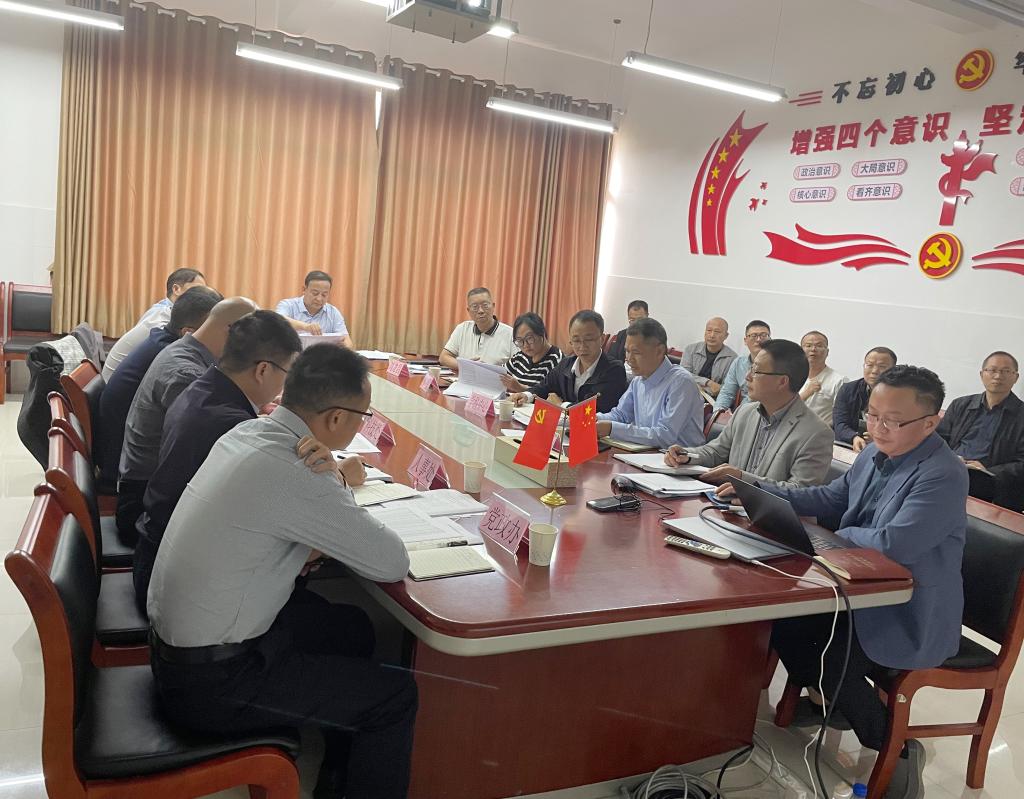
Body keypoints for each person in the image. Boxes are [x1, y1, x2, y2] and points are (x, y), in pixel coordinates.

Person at [148, 345, 416, 799]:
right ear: (336, 418)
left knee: (351, 628)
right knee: (395, 696)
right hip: (211, 685)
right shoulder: (297, 469)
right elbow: (391, 561)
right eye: (362, 416)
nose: (360, 425)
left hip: (175, 652)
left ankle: (339, 777)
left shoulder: (249, 431)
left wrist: (330, 479)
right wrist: (332, 480)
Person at [762, 366, 967, 799]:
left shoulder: (943, 473)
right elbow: (830, 499)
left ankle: (895, 746)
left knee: (829, 656)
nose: (877, 427)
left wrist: (834, 537)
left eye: (892, 420)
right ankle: (835, 705)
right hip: (859, 588)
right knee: (782, 624)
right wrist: (761, 491)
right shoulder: (875, 453)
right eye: (872, 415)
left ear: (930, 423)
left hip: (909, 608)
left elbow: (897, 543)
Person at [133, 311, 310, 610]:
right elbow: (277, 511)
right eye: (288, 373)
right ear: (263, 370)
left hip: (156, 553)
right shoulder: (232, 427)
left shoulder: (202, 389)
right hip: (178, 586)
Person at [116, 297, 258, 542]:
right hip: (143, 507)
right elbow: (217, 444)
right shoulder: (185, 372)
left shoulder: (186, 351)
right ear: (233, 332)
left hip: (149, 489)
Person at [96, 286, 222, 486]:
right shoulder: (178, 364)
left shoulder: (163, 342)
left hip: (122, 455)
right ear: (188, 332)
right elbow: (197, 428)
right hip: (126, 472)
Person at [664, 340, 832, 488]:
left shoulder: (816, 433)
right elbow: (716, 452)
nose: (747, 376)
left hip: (768, 514)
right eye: (751, 368)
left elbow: (800, 491)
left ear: (782, 381)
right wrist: (687, 456)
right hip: (724, 505)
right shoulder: (745, 412)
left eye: (756, 371)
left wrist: (742, 480)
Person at [595, 318, 704, 448]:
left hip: (679, 458)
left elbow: (665, 436)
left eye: (636, 352)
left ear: (659, 351)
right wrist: (593, 420)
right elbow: (620, 415)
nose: (629, 359)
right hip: (645, 454)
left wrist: (612, 429)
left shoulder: (681, 383)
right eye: (627, 351)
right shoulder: (638, 381)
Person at [937, 351, 1024, 510]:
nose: (998, 376)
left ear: (1016, 377)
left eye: (1005, 371)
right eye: (992, 370)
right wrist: (952, 458)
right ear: (982, 374)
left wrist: (986, 470)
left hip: (992, 482)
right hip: (951, 469)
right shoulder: (960, 405)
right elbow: (938, 440)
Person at [509, 310, 628, 413]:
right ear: (570, 341)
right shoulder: (566, 365)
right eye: (576, 340)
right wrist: (525, 395)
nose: (582, 346)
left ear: (602, 339)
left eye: (588, 339)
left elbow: (597, 409)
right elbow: (544, 386)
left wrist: (561, 405)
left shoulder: (614, 370)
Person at [102, 268, 208, 380]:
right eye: (197, 290)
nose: (201, 296)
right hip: (117, 383)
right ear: (176, 289)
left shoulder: (164, 309)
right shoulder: (161, 319)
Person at [834, 346, 898, 451]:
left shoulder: (900, 395)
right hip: (851, 445)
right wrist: (854, 437)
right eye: (869, 365)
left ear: (893, 370)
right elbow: (840, 423)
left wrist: (880, 438)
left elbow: (903, 430)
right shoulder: (848, 389)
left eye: (882, 366)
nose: (874, 371)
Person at [439, 287, 514, 371]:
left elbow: (519, 367)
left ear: (493, 306)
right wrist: (466, 366)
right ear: (468, 310)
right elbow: (444, 357)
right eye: (475, 307)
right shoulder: (462, 329)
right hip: (466, 378)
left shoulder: (510, 334)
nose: (480, 311)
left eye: (485, 305)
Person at [276, 270, 354, 347]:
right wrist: (305, 326)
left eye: (324, 295)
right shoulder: (288, 305)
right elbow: (278, 320)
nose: (319, 299)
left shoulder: (333, 312)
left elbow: (348, 341)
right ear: (304, 290)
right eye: (315, 293)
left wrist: (345, 346)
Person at [713, 320, 771, 411]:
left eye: (763, 335)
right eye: (754, 336)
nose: (758, 339)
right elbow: (727, 393)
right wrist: (718, 412)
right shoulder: (739, 363)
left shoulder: (777, 364)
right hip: (743, 412)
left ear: (770, 340)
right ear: (745, 341)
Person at [500, 312, 562, 392]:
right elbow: (499, 374)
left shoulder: (556, 360)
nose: (525, 345)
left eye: (529, 338)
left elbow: (551, 396)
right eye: (520, 340)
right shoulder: (520, 357)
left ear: (542, 333)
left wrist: (520, 388)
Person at [798, 331, 847, 427]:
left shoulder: (839, 381)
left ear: (827, 352)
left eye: (819, 346)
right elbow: (783, 408)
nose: (813, 349)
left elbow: (841, 417)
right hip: (790, 431)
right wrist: (806, 393)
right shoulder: (791, 377)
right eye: (808, 345)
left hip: (822, 433)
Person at [680, 317, 737, 398]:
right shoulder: (690, 349)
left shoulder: (732, 358)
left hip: (711, 400)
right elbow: (683, 375)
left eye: (717, 332)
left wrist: (699, 385)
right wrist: (708, 383)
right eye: (709, 330)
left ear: (726, 336)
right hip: (685, 393)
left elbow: (725, 389)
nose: (712, 335)